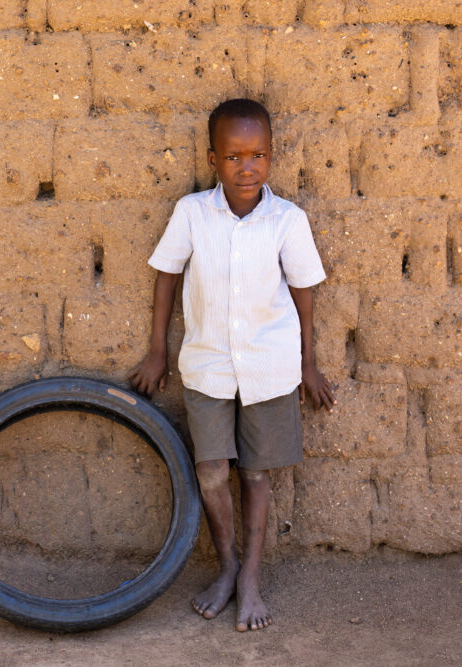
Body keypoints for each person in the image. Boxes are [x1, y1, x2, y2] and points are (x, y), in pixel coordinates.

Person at [128, 98, 335, 632]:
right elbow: (167, 277)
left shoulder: (288, 220)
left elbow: (303, 292)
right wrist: (157, 350)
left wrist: (309, 364)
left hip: (271, 365)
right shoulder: (192, 213)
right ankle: (226, 567)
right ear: (213, 158)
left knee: (258, 474)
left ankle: (250, 581)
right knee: (213, 471)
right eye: (235, 157)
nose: (248, 168)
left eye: (259, 155)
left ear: (271, 158)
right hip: (208, 366)